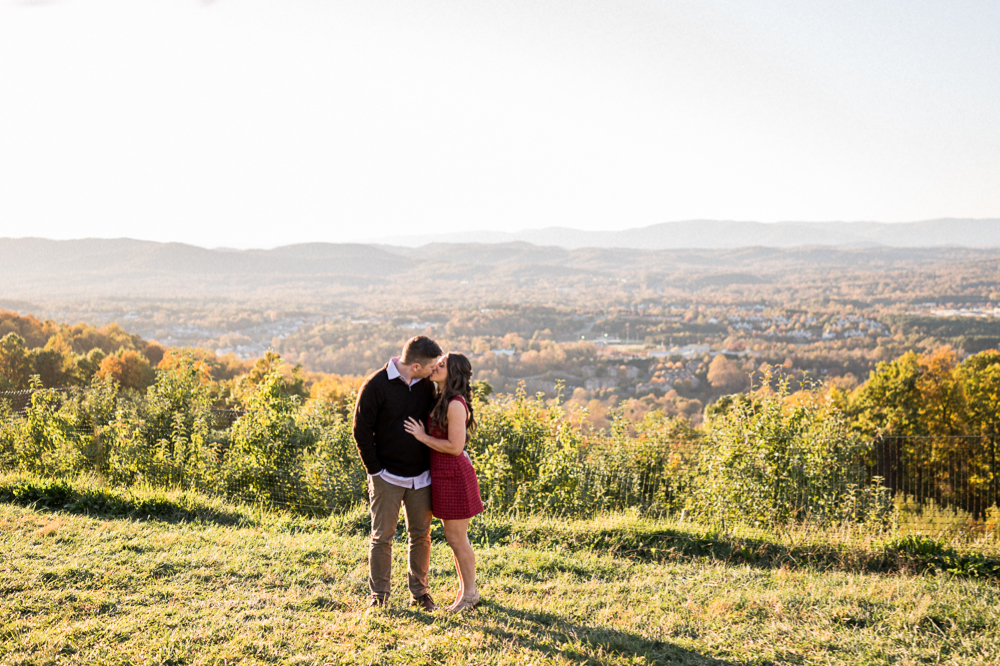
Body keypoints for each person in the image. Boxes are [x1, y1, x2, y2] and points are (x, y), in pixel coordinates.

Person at [353, 335, 443, 611]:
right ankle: (378, 596)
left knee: (421, 536)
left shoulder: (427, 386)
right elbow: (361, 430)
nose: (434, 371)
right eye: (432, 367)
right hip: (386, 477)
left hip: (421, 477)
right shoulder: (375, 385)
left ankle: (420, 594)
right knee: (382, 537)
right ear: (416, 366)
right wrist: (375, 471)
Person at [404, 352, 484, 612]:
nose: (436, 366)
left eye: (442, 365)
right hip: (443, 477)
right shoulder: (441, 399)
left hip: (455, 477)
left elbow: (455, 447)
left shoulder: (455, 405)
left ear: (454, 373)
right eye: (437, 363)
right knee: (454, 539)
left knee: (458, 539)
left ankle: (470, 594)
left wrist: (421, 436)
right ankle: (465, 591)